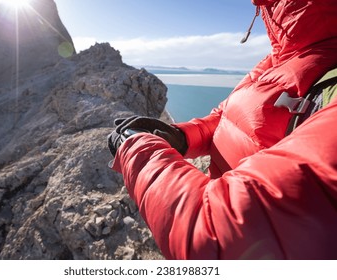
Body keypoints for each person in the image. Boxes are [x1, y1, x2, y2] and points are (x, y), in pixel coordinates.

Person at [107, 0, 337, 259]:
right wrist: (182, 137)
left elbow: (222, 233)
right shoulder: (278, 60)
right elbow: (227, 116)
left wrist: (138, 150)